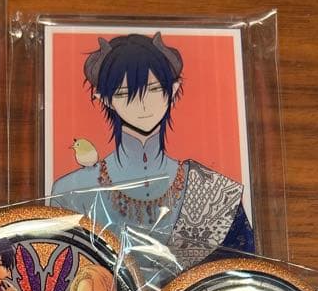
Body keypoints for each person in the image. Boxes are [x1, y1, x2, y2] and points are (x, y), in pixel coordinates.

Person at [50, 33, 253, 265]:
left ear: (173, 89)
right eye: (124, 94)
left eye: (155, 89)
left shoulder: (216, 192)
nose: (143, 104)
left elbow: (242, 274)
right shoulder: (71, 192)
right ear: (104, 98)